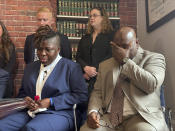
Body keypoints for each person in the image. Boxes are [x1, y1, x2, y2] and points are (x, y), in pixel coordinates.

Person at [0, 25, 88, 131]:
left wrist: (51, 101)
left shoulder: (71, 67)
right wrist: (26, 100)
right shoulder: (31, 67)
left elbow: (81, 96)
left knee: (32, 129)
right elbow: (23, 93)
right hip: (29, 112)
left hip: (59, 112)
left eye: (48, 50)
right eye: (40, 49)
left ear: (58, 49)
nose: (42, 53)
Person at [80, 27, 168, 131]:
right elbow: (97, 92)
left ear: (137, 42)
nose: (120, 50)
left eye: (125, 46)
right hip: (110, 117)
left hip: (141, 117)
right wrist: (93, 111)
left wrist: (126, 61)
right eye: (117, 46)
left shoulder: (153, 58)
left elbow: (151, 85)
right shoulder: (105, 65)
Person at [76, 7, 114, 95]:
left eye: (95, 15)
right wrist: (85, 68)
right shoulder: (85, 38)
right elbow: (78, 57)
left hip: (103, 79)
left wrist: (94, 70)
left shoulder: (111, 35)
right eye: (90, 16)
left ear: (103, 18)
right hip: (85, 80)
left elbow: (111, 56)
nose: (91, 18)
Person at [0, 20, 16, 98]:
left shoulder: (9, 45)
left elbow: (12, 62)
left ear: (3, 30)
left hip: (4, 76)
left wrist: (3, 73)